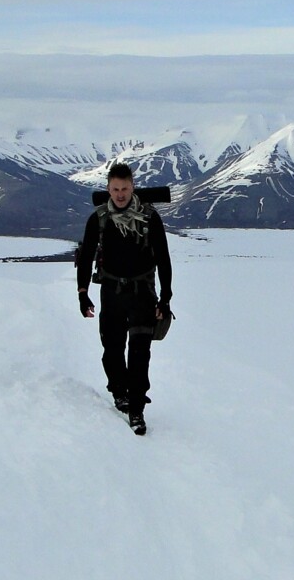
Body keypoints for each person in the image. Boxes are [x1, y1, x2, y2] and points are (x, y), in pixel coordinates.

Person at [77, 163, 172, 435]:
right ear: (108, 189)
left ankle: (137, 409)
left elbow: (163, 259)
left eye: (125, 189)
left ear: (133, 187)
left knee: (140, 353)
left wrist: (165, 299)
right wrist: (83, 294)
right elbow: (85, 258)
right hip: (111, 292)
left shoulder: (149, 217)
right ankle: (119, 391)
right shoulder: (99, 218)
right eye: (116, 189)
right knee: (113, 349)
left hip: (142, 293)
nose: (120, 194)